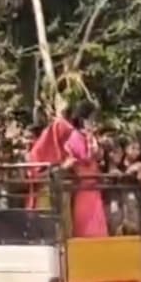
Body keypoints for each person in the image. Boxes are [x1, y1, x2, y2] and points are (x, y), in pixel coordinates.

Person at [61, 101, 109, 238]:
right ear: (84, 119)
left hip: (94, 186)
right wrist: (90, 139)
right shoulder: (75, 136)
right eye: (92, 118)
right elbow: (85, 157)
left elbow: (99, 155)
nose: (94, 122)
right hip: (84, 187)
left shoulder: (89, 136)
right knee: (87, 227)